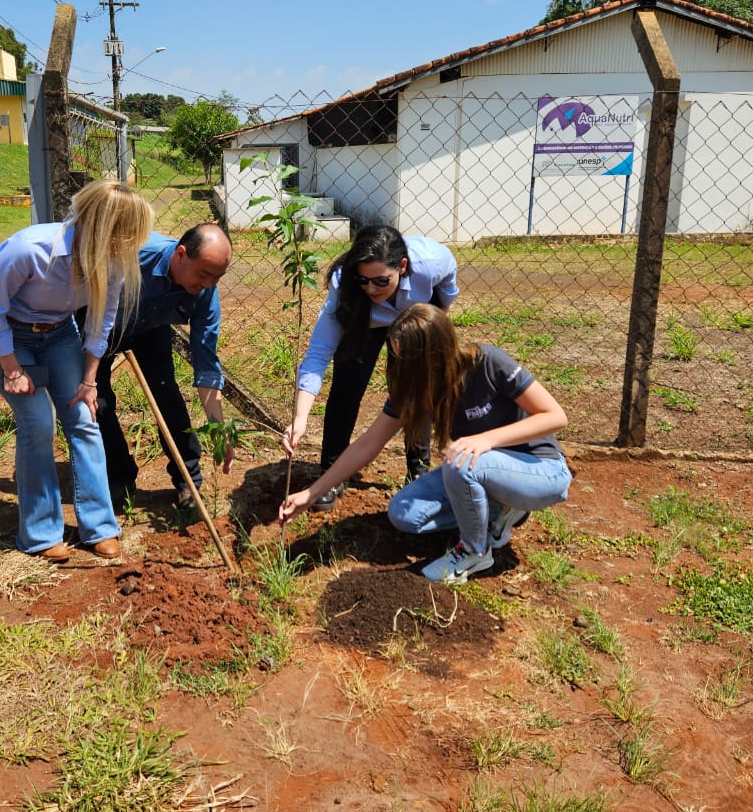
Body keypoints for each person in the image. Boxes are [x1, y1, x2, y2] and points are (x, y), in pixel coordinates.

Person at [280, 303, 572, 585]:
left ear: (436, 353)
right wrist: (311, 492)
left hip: (541, 470)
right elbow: (369, 443)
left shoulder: (486, 362)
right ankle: (498, 512)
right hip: (479, 468)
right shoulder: (415, 387)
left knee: (461, 461)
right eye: (395, 357)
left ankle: (475, 551)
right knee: (404, 514)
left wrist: (486, 440)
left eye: (407, 360)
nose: (399, 368)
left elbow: (555, 416)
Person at [0, 181, 154, 561]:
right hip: (8, 336)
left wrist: (89, 382)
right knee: (38, 422)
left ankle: (99, 527)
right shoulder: (29, 250)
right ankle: (40, 534)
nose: (130, 247)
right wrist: (12, 369)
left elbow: (100, 323)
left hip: (59, 335)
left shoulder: (114, 262)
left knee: (84, 417)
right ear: (105, 229)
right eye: (127, 236)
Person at [282, 225, 459, 509]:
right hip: (364, 321)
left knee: (415, 390)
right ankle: (332, 472)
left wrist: (435, 320)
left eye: (380, 281)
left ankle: (418, 471)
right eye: (363, 280)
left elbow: (448, 283)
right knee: (346, 389)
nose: (370, 288)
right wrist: (301, 418)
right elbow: (318, 354)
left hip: (412, 316)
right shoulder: (347, 288)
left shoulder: (430, 263)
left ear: (402, 267)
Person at [94, 222, 234, 509]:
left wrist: (219, 429)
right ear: (181, 255)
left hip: (149, 325)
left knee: (166, 395)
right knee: (98, 401)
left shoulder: (206, 291)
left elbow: (206, 363)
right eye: (204, 275)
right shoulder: (131, 256)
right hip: (98, 323)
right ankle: (118, 477)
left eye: (216, 278)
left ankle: (188, 480)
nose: (208, 285)